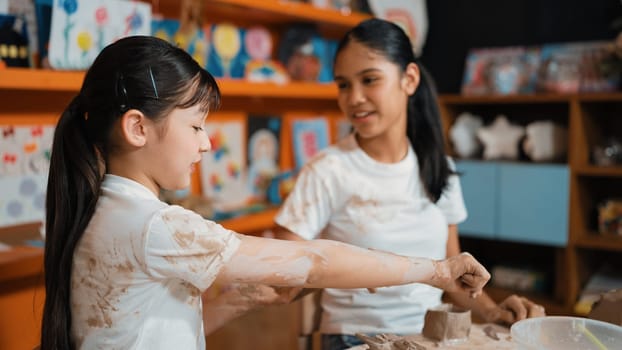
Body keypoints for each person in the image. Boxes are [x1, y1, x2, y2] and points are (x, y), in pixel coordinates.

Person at [40, 35, 491, 350]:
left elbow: (153, 331)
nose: (206, 143)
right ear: (137, 127)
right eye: (196, 126)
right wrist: (436, 271)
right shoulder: (158, 226)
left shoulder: (102, 208)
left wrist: (242, 298)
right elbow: (315, 259)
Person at [274, 18, 546, 350]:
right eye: (343, 85)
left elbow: (453, 281)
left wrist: (493, 311)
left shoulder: (438, 167)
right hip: (355, 339)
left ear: (410, 79)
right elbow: (284, 271)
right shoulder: (327, 171)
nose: (354, 98)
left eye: (369, 80)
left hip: (435, 335)